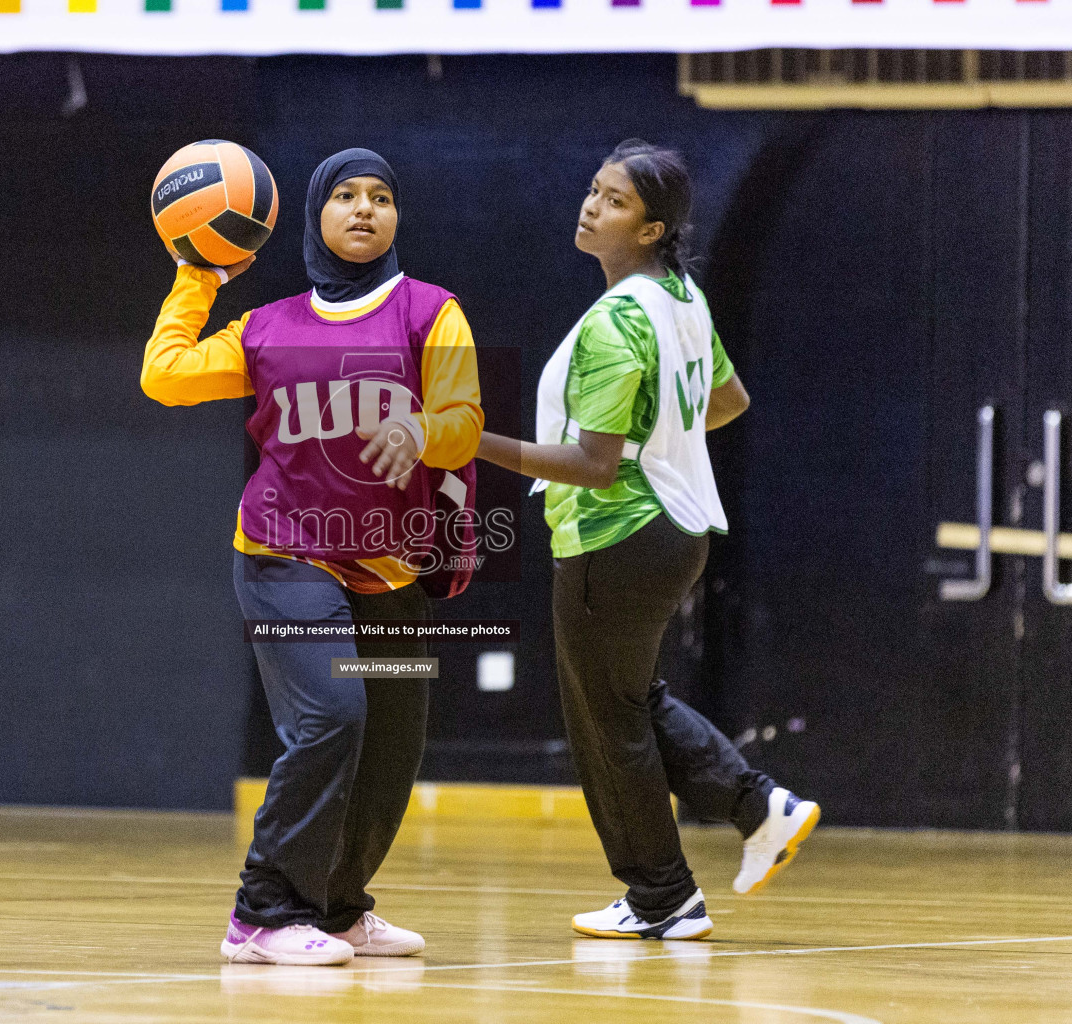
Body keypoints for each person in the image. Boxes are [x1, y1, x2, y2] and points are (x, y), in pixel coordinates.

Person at [141, 148, 483, 965]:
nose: (365, 209)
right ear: (315, 219)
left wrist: (421, 431)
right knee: (333, 716)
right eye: (345, 196)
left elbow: (464, 419)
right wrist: (197, 272)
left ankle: (336, 907)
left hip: (391, 567)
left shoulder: (433, 314)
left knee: (392, 747)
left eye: (381, 197)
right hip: (284, 556)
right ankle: (261, 914)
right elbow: (166, 375)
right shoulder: (268, 327)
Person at [474, 139, 819, 941]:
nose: (593, 206)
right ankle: (757, 807)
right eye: (594, 190)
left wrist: (472, 442)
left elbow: (594, 466)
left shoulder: (615, 321)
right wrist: (663, 442)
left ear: (653, 227)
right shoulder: (683, 299)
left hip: (616, 534)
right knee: (629, 701)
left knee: (608, 721)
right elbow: (727, 399)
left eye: (616, 200)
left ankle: (665, 895)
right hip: (677, 529)